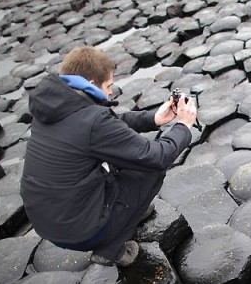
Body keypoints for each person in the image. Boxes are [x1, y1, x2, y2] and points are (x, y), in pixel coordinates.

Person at [21, 46, 198, 267]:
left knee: (118, 160)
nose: (111, 92)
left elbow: (108, 129)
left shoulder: (52, 110)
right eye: (109, 86)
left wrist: (153, 119)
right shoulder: (93, 122)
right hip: (83, 232)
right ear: (93, 85)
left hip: (48, 224)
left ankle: (127, 211)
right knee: (148, 168)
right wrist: (183, 126)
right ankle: (111, 248)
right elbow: (157, 156)